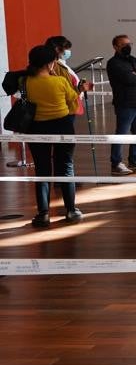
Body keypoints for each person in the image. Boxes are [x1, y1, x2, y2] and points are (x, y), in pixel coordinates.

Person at [24, 44, 84, 228]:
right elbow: (73, 101)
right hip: (62, 126)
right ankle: (71, 210)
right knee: (65, 167)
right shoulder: (60, 81)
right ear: (51, 63)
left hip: (36, 128)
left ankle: (43, 214)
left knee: (42, 170)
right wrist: (81, 89)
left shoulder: (25, 81)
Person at [105, 34, 136, 174]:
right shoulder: (114, 63)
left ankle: (134, 158)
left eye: (129, 44)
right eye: (124, 44)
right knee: (121, 133)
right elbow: (129, 80)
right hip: (125, 103)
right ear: (115, 47)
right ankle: (116, 163)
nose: (128, 47)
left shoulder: (134, 60)